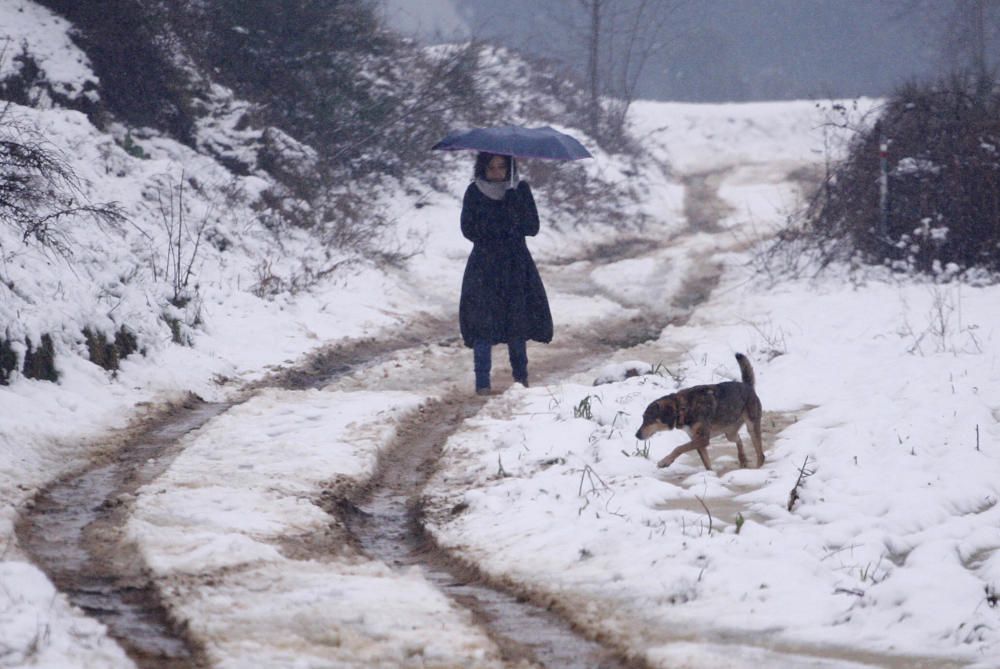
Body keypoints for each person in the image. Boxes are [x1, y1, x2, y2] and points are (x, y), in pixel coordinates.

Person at [459, 152, 553, 395]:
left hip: (515, 265)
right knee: (482, 325)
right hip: (484, 265)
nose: (497, 172)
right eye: (491, 167)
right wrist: (495, 229)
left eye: (502, 166)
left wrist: (512, 200)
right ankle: (482, 383)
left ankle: (521, 380)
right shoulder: (474, 191)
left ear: (509, 167)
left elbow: (531, 227)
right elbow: (468, 229)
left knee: (516, 324)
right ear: (483, 168)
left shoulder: (519, 190)